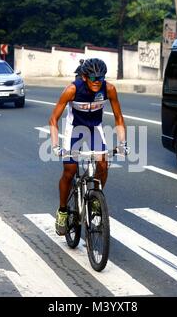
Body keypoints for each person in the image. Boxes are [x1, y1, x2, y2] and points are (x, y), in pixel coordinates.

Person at [49, 58, 129, 236]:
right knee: (69, 170)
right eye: (93, 78)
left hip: (95, 129)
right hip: (75, 130)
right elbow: (53, 119)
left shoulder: (109, 89)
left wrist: (123, 143)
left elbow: (119, 118)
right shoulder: (72, 89)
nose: (97, 81)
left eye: (101, 77)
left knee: (103, 164)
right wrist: (55, 146)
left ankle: (95, 199)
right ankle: (62, 211)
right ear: (84, 77)